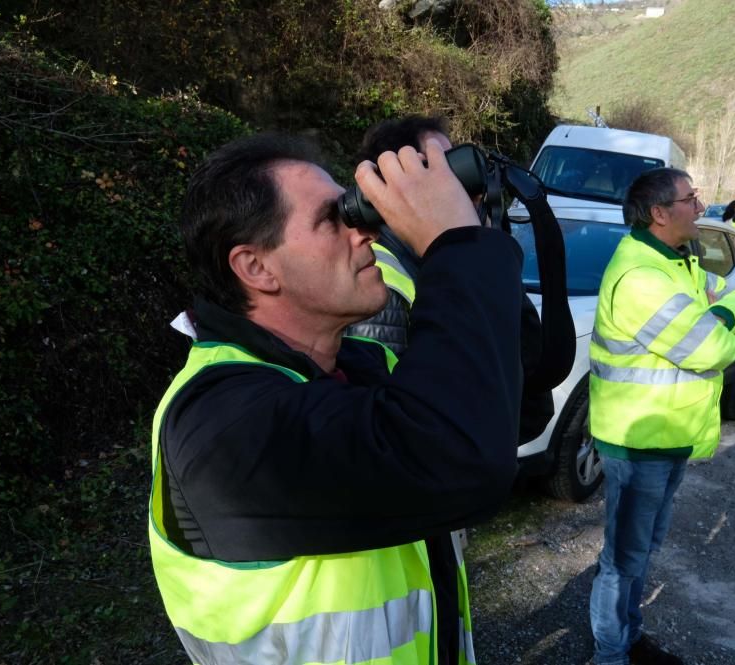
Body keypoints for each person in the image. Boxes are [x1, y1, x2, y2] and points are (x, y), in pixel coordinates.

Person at [149, 132, 526, 665]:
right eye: (335, 218)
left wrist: (476, 229)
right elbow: (463, 459)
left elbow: (519, 408)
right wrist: (456, 246)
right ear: (256, 267)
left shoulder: (363, 369)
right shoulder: (221, 424)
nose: (367, 229)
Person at [342, 115, 575, 663]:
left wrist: (479, 256)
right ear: (392, 184)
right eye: (440, 171)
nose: (460, 189)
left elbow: (521, 409)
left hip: (433, 541)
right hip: (404, 544)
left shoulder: (440, 270)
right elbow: (432, 453)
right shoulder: (374, 285)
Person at [587, 168, 735, 665]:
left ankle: (628, 640)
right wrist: (720, 316)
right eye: (691, 199)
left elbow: (732, 295)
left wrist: (722, 310)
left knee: (641, 550)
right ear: (660, 213)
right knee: (623, 560)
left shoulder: (676, 263)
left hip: (667, 437)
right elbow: (714, 347)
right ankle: (610, 656)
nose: (701, 207)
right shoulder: (642, 278)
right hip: (640, 445)